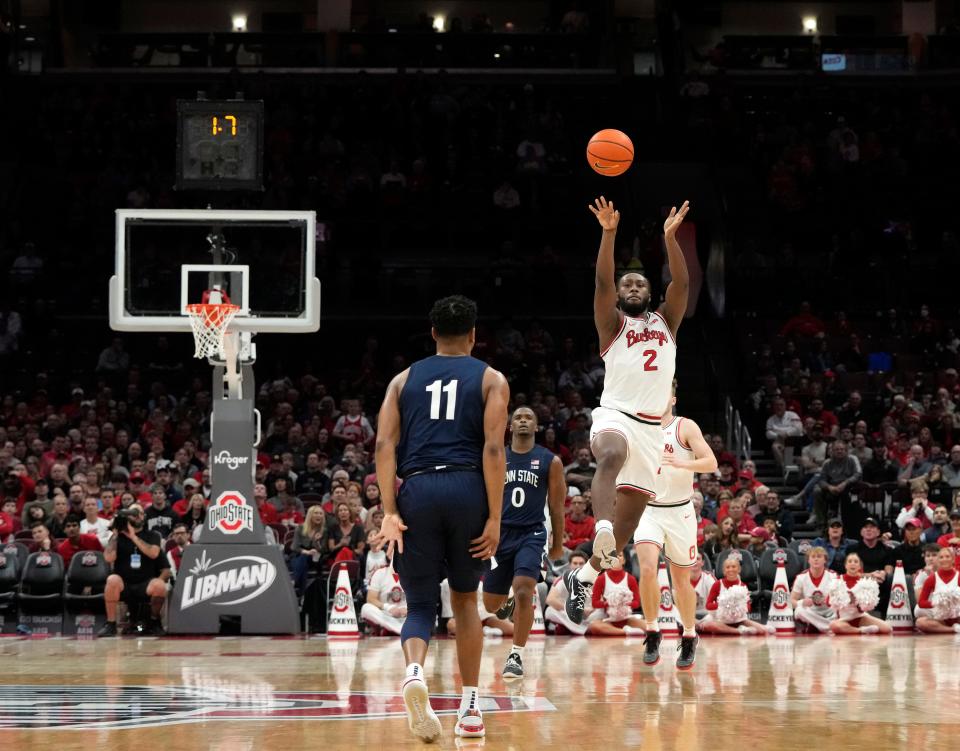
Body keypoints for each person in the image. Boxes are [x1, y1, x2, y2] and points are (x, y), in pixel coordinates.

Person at [374, 295, 509, 742]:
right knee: (466, 600)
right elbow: (493, 449)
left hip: (418, 489)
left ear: (432, 333)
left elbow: (383, 447)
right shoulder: (492, 379)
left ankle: (414, 671)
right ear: (474, 334)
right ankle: (470, 710)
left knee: (419, 606)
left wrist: (390, 511)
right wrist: (494, 516)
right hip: (468, 487)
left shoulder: (402, 380)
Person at [565, 196, 690, 625]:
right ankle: (599, 527)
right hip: (615, 415)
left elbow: (683, 286)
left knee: (626, 531)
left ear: (650, 293)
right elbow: (601, 284)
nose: (633, 288)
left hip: (652, 430)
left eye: (640, 284)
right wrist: (609, 233)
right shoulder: (612, 325)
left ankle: (582, 576)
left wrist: (670, 239)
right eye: (627, 285)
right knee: (611, 455)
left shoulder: (666, 323)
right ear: (619, 296)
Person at [633, 391, 716, 669]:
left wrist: (684, 463)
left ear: (672, 398)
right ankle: (652, 629)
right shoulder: (639, 427)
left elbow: (711, 462)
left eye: (663, 392)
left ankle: (689, 634)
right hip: (648, 509)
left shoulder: (685, 427)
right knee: (646, 568)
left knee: (681, 581)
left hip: (680, 511)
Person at [481, 407, 564, 681]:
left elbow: (556, 507)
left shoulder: (549, 461)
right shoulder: (496, 457)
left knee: (525, 590)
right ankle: (508, 606)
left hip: (532, 534)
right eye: (518, 417)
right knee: (491, 605)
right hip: (499, 534)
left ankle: (516, 654)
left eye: (529, 418)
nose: (524, 420)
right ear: (509, 425)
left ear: (536, 427)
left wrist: (557, 544)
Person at [97, 504, 170, 637]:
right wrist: (115, 534)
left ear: (144, 517)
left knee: (159, 585)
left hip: (145, 583)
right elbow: (108, 558)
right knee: (112, 579)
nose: (137, 516)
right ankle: (111, 624)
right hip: (124, 584)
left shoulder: (152, 535)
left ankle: (154, 622)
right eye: (133, 513)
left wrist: (133, 537)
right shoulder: (118, 537)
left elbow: (153, 553)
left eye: (140, 513)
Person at [699, 556, 771, 635]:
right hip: (720, 620)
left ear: (739, 569)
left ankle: (755, 627)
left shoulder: (743, 586)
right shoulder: (717, 584)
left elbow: (748, 607)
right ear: (724, 571)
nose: (730, 569)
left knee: (763, 631)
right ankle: (739, 631)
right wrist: (724, 605)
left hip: (739, 620)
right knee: (706, 625)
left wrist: (737, 607)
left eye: (733, 567)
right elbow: (708, 605)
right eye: (727, 567)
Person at [828, 552, 893, 635]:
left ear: (859, 566)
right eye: (850, 561)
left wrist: (859, 601)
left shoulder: (865, 582)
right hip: (843, 619)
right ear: (845, 565)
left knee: (887, 628)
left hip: (860, 617)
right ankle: (861, 630)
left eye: (856, 562)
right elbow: (828, 602)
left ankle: (852, 630)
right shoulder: (837, 580)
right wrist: (842, 599)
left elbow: (864, 609)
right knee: (834, 626)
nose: (853, 564)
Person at [585, 550, 646, 636]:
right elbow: (595, 603)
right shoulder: (601, 579)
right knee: (594, 627)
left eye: (620, 555)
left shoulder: (631, 579)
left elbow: (637, 603)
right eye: (613, 556)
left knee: (649, 626)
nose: (616, 558)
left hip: (627, 619)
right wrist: (610, 603)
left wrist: (626, 603)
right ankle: (626, 632)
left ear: (624, 560)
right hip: (608, 620)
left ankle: (621, 631)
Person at [544, 551, 592, 634]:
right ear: (570, 565)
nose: (578, 566)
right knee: (549, 611)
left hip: (588, 616)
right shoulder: (562, 579)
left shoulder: (593, 579)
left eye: (581, 563)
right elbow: (550, 600)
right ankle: (583, 630)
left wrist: (590, 610)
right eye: (575, 563)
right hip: (567, 613)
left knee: (600, 613)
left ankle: (569, 628)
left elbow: (600, 601)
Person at [915, 547, 960, 634]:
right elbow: (921, 602)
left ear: (953, 559)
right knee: (920, 622)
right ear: (938, 560)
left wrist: (955, 602)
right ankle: (953, 629)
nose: (944, 559)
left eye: (947, 556)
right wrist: (938, 603)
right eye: (941, 557)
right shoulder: (932, 579)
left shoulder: (959, 576)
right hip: (940, 618)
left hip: (958, 616)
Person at [791, 547, 837, 633]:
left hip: (830, 613)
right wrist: (802, 602)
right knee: (798, 611)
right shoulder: (801, 577)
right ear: (808, 560)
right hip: (811, 613)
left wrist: (828, 600)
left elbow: (840, 599)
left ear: (825, 560)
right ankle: (828, 627)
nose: (816, 559)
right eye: (813, 557)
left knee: (841, 610)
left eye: (819, 556)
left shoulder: (833, 576)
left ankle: (816, 626)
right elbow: (791, 601)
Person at [360, 563, 407, 636]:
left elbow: (421, 599)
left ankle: (391, 629)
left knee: (428, 608)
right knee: (366, 608)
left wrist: (408, 609)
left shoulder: (415, 573)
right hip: (386, 614)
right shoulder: (380, 573)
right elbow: (370, 599)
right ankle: (402, 630)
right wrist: (388, 607)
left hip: (408, 616)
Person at [291, 506, 326, 593]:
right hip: (298, 556)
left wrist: (316, 542)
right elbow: (294, 547)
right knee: (303, 561)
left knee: (304, 560)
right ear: (310, 515)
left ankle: (293, 582)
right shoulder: (300, 528)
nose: (319, 516)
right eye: (316, 513)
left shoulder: (324, 531)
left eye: (321, 513)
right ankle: (303, 595)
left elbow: (324, 550)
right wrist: (307, 552)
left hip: (315, 560)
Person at [688, 553, 717, 625]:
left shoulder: (709, 578)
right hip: (687, 616)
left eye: (697, 559)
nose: (694, 561)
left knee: (712, 619)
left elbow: (717, 601)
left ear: (702, 563)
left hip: (706, 615)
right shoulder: (680, 579)